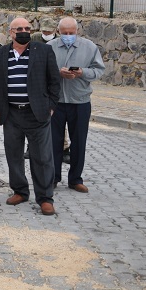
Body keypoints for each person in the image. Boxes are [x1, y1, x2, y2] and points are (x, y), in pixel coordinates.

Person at [0, 17, 60, 215]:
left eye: (27, 28)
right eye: (20, 28)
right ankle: (20, 191)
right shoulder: (1, 54)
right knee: (14, 155)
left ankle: (45, 197)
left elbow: (54, 81)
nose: (24, 31)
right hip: (11, 114)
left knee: (42, 157)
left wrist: (51, 106)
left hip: (37, 114)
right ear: (11, 32)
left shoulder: (44, 50)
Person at [49, 17, 105, 192]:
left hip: (80, 101)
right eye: (64, 33)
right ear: (58, 32)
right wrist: (58, 73)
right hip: (56, 102)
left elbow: (99, 70)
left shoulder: (89, 47)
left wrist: (82, 72)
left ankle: (75, 179)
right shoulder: (50, 47)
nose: (68, 36)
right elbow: (41, 70)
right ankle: (53, 177)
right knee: (53, 142)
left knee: (79, 141)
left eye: (71, 33)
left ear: (77, 32)